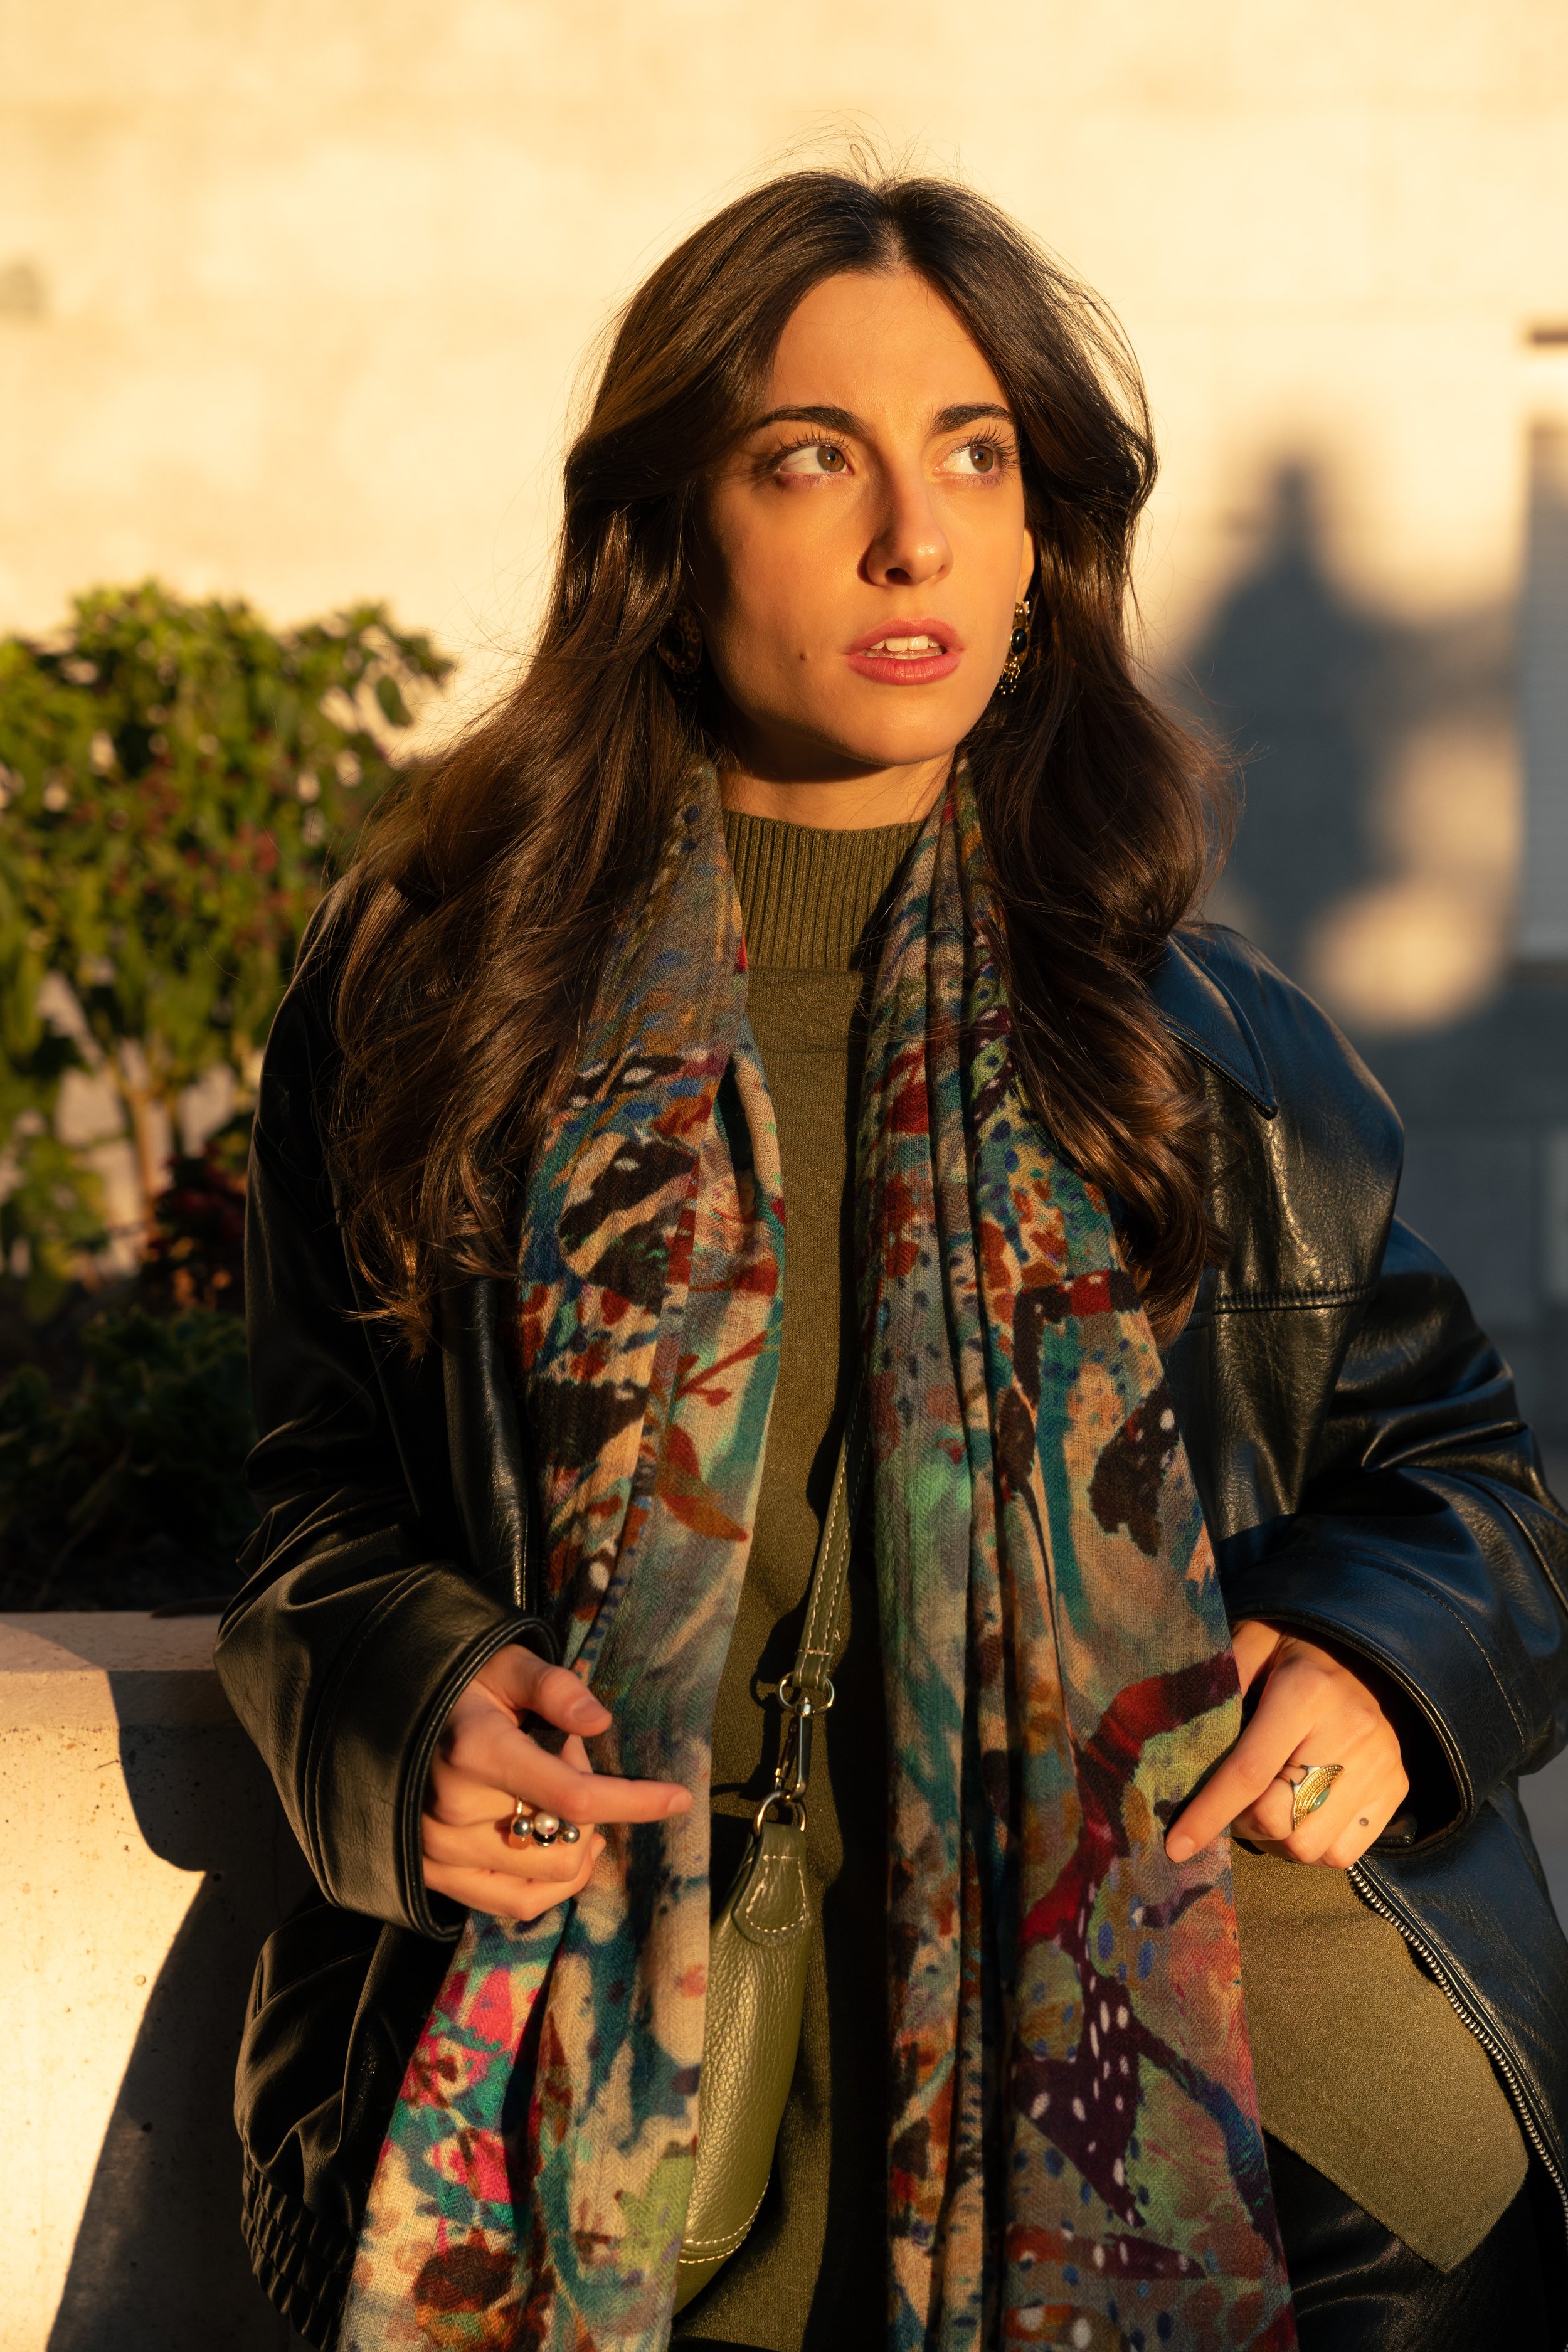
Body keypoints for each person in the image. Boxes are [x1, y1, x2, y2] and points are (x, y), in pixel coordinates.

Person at [216, 168, 1568, 2352]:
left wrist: (1375, 1666)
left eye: (974, 457)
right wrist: (414, 1702)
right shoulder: (440, 1004)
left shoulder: (1205, 1047)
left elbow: (1471, 1487)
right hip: (603, 2170)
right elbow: (312, 1511)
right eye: (807, 459)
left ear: (1043, 550)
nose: (911, 538)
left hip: (1260, 2154)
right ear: (665, 539)